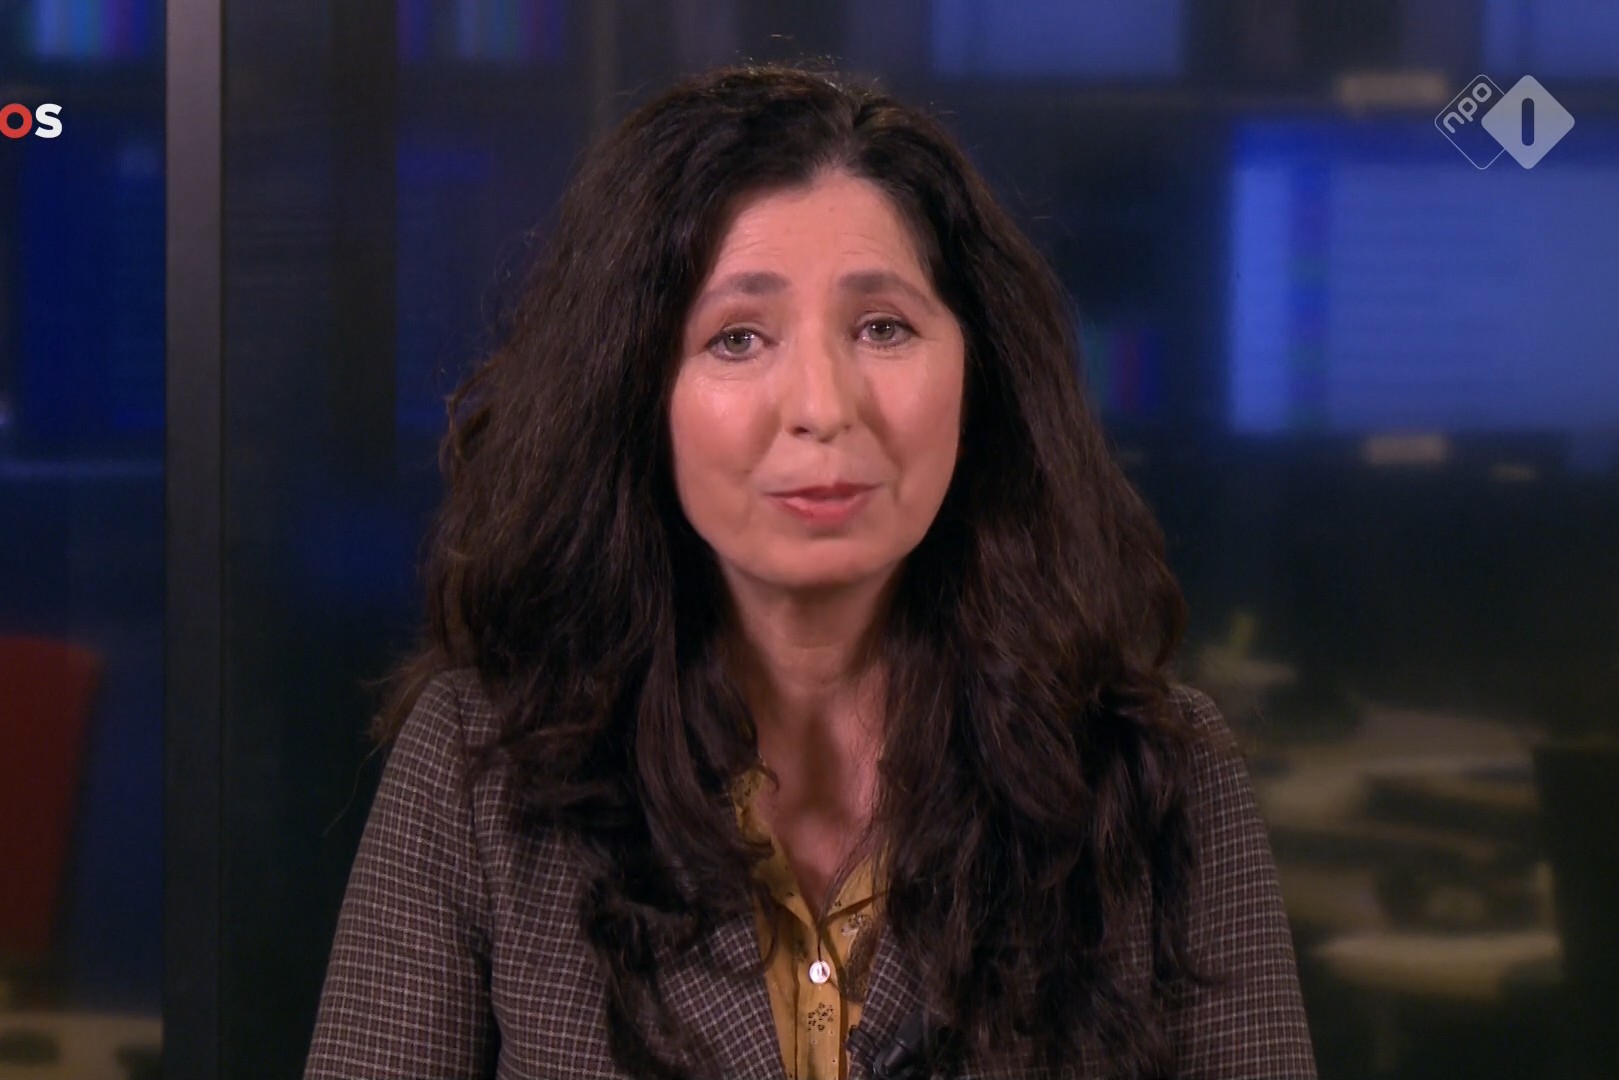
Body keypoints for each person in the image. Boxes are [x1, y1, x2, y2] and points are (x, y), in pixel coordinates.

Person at [304, 62, 1316, 1080]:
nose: (824, 407)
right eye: (738, 338)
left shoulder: (1160, 782)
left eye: (883, 328)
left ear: (980, 373)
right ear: (634, 393)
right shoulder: (480, 772)